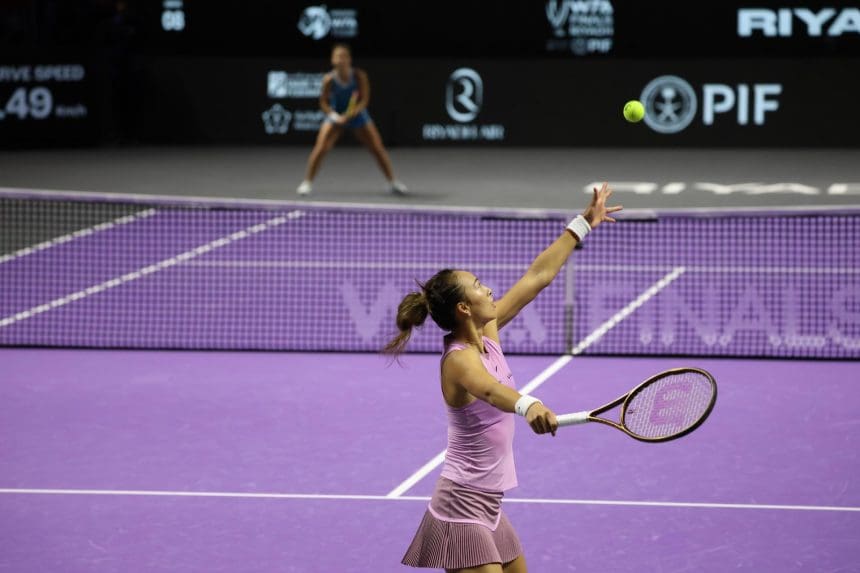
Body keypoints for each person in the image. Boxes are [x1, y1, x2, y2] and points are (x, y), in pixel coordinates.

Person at [388, 183, 621, 573]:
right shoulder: (458, 362)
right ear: (464, 308)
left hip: (490, 505)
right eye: (479, 286)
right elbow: (492, 390)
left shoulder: (487, 336)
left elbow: (537, 276)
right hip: (461, 506)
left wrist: (583, 224)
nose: (489, 288)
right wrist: (528, 404)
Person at [296, 43, 407, 196]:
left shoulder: (359, 76)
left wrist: (351, 114)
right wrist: (335, 116)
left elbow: (364, 100)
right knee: (321, 148)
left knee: (377, 148)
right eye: (337, 57)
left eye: (343, 56)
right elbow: (323, 102)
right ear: (333, 60)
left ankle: (393, 182)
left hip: (357, 115)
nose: (341, 60)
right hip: (336, 116)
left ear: (349, 59)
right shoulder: (329, 79)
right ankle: (307, 182)